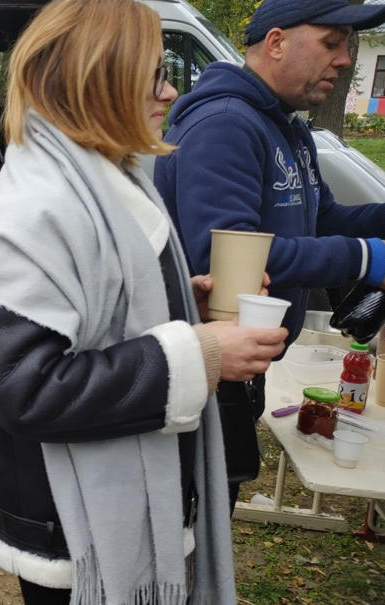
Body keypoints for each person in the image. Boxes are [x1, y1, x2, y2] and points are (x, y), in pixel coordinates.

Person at [0, 0, 288, 602]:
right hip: (68, 526)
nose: (170, 93)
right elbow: (26, 388)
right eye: (156, 74)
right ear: (99, 78)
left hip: (112, 496)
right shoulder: (38, 206)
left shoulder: (109, 179)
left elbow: (99, 308)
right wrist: (202, 353)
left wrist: (180, 301)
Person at [154, 0, 385, 511]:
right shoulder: (225, 125)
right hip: (203, 371)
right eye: (332, 42)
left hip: (240, 370)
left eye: (347, 44)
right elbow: (229, 260)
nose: (345, 59)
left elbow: (321, 220)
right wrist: (367, 259)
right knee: (188, 523)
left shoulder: (286, 125)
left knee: (210, 516)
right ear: (277, 43)